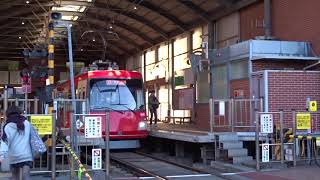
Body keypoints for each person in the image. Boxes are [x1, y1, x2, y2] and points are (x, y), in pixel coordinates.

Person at [0, 106, 33, 180]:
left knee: (15, 176)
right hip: (26, 155)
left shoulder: (7, 126)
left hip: (14, 156)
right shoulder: (27, 123)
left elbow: (5, 142)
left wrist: (2, 156)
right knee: (26, 177)